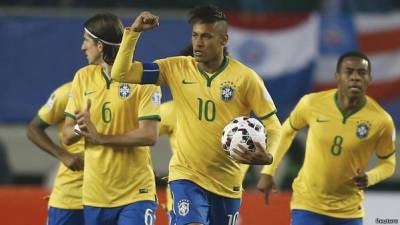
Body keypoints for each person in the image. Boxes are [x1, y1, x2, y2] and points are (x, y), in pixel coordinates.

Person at [111, 5, 281, 225]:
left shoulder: (246, 78)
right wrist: (133, 33)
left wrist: (269, 157)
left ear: (224, 40)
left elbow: (273, 125)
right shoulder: (176, 68)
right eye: (195, 35)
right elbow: (121, 73)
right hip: (186, 176)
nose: (198, 43)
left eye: (207, 36)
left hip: (227, 182)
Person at [257, 51, 396, 225]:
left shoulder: (381, 120)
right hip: (308, 205)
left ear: (369, 79)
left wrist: (370, 177)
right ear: (337, 77)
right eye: (349, 71)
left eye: (361, 73)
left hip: (349, 211)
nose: (355, 78)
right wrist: (268, 172)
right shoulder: (312, 103)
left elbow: (388, 164)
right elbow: (286, 132)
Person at [62, 13, 162, 225]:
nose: (82, 47)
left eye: (85, 41)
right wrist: (82, 127)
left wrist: (102, 138)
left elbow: (149, 135)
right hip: (95, 194)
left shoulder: (143, 78)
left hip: (136, 193)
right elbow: (67, 135)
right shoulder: (83, 77)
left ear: (99, 46)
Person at [26, 82, 85, 225]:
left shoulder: (128, 91)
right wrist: (63, 155)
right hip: (72, 195)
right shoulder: (69, 92)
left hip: (113, 194)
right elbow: (34, 129)